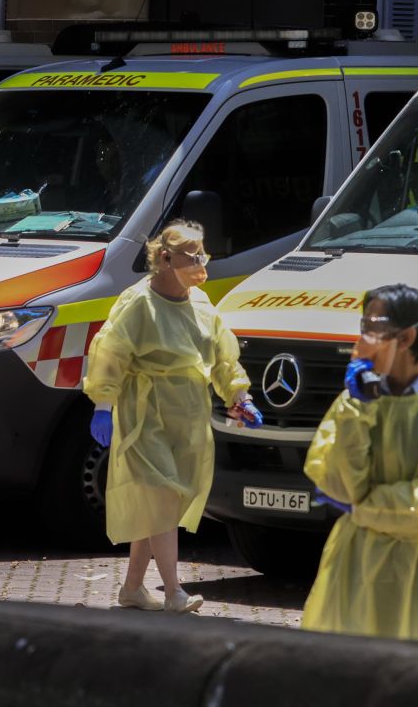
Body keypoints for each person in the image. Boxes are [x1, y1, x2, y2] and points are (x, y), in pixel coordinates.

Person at [83, 219, 264, 613]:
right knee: (162, 496)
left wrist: (239, 396)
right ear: (164, 258)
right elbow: (110, 353)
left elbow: (220, 355)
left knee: (162, 501)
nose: (201, 262)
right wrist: (103, 405)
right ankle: (173, 591)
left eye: (203, 254)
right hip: (146, 412)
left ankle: (132, 589)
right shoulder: (139, 303)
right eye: (192, 255)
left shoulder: (200, 303)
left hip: (189, 416)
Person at [300, 284, 418, 644]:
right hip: (354, 567)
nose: (362, 340)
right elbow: (335, 482)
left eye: (373, 328)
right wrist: (359, 410)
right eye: (363, 326)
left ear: (406, 337)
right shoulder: (354, 403)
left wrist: (362, 507)